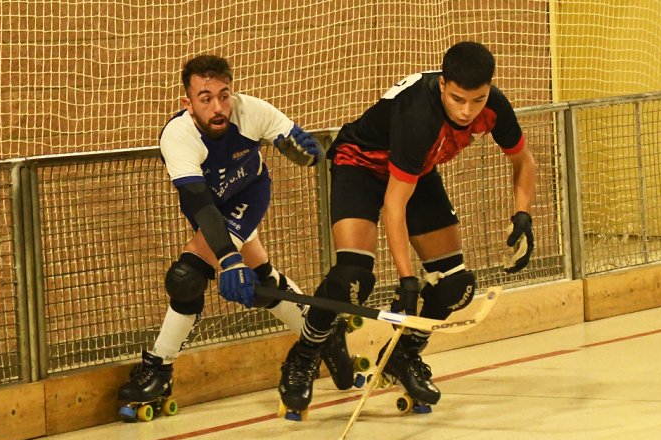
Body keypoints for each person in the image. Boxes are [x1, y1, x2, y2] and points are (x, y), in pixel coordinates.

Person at [278, 41, 537, 413]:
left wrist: (523, 215)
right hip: (361, 164)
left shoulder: (494, 105)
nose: (467, 112)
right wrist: (407, 281)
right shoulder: (420, 115)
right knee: (352, 277)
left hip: (415, 172)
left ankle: (403, 354)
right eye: (458, 99)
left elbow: (524, 161)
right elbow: (393, 206)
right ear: (443, 84)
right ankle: (304, 356)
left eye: (477, 100)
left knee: (455, 285)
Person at [117, 55, 359, 414]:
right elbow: (199, 203)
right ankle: (323, 333)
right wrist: (230, 259)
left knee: (186, 278)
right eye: (206, 98)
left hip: (249, 195)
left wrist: (307, 152)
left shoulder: (250, 111)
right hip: (207, 205)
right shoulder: (179, 136)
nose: (218, 107)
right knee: (262, 283)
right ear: (188, 103)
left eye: (224, 95)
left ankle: (159, 368)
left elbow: (295, 138)